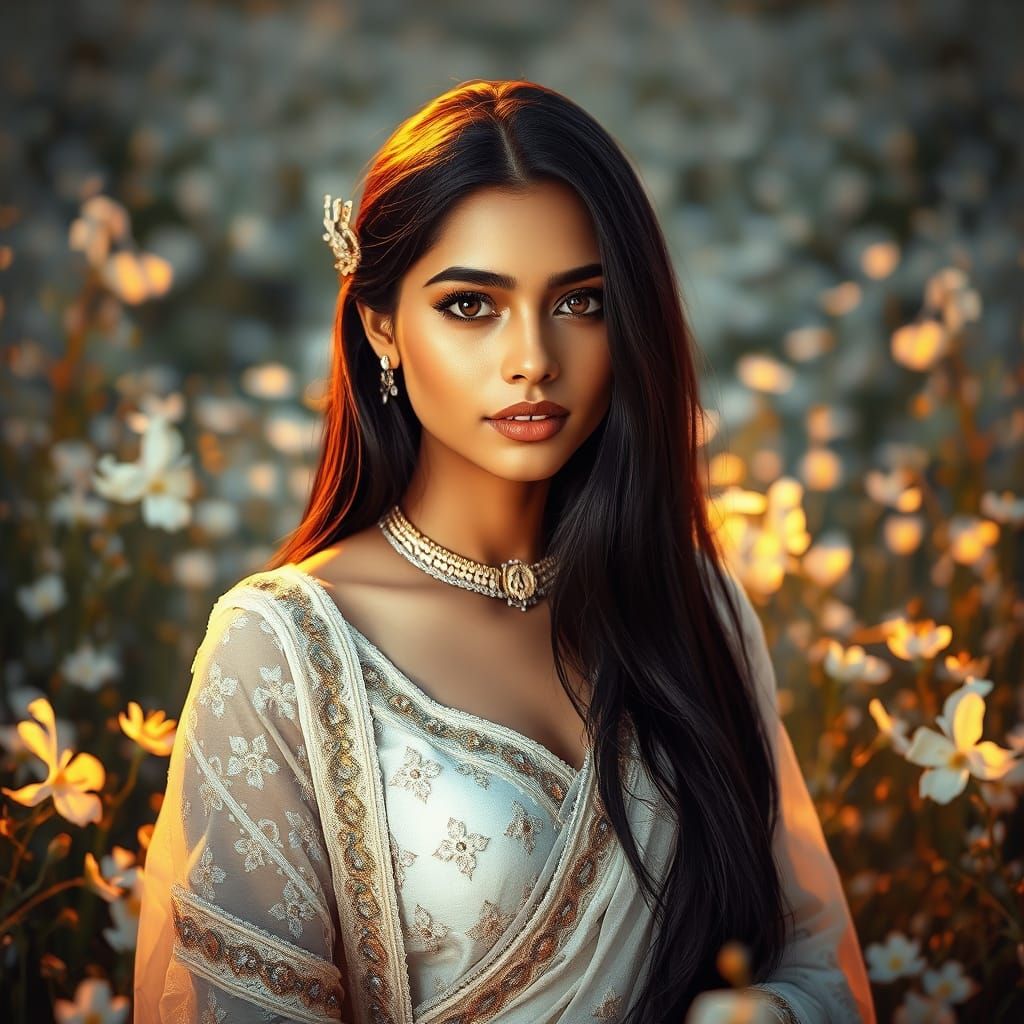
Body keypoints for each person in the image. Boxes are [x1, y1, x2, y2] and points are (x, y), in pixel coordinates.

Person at [133, 79, 876, 1024]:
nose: (533, 356)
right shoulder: (283, 652)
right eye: (472, 306)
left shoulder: (694, 604)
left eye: (582, 301)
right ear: (380, 327)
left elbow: (819, 966)